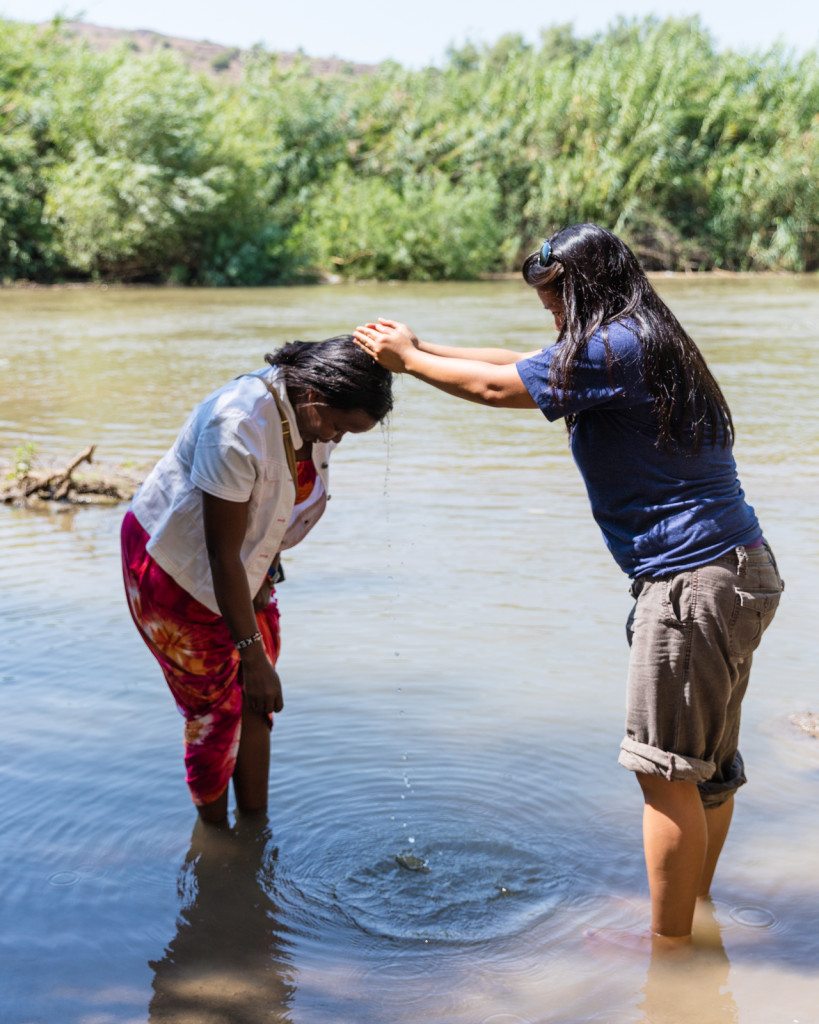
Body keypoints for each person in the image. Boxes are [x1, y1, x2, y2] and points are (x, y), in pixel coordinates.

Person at [353, 223, 783, 947]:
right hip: (737, 571)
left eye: (556, 301)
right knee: (704, 771)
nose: (550, 317)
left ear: (585, 290)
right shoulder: (644, 334)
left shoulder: (614, 345)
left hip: (689, 585)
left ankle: (669, 953)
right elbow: (519, 363)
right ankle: (692, 914)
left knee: (665, 774)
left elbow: (496, 388)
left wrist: (408, 362)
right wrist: (422, 351)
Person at [121, 335, 392, 825]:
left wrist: (264, 585)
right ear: (314, 397)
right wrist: (251, 653)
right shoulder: (239, 426)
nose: (338, 439)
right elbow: (221, 555)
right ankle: (218, 841)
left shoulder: (313, 418)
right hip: (174, 572)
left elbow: (264, 525)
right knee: (216, 714)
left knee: (257, 698)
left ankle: (255, 830)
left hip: (244, 572)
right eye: (340, 426)